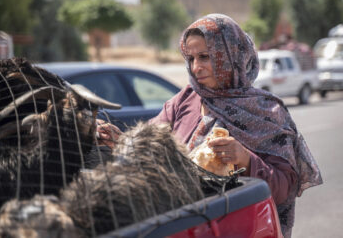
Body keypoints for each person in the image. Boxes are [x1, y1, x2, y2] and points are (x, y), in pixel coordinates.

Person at [97, 13, 322, 238]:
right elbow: (153, 148)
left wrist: (245, 159)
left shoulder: (268, 111)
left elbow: (284, 189)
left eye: (205, 57)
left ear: (230, 55)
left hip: (239, 228)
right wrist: (122, 141)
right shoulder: (183, 101)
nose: (196, 68)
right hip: (182, 226)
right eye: (191, 58)